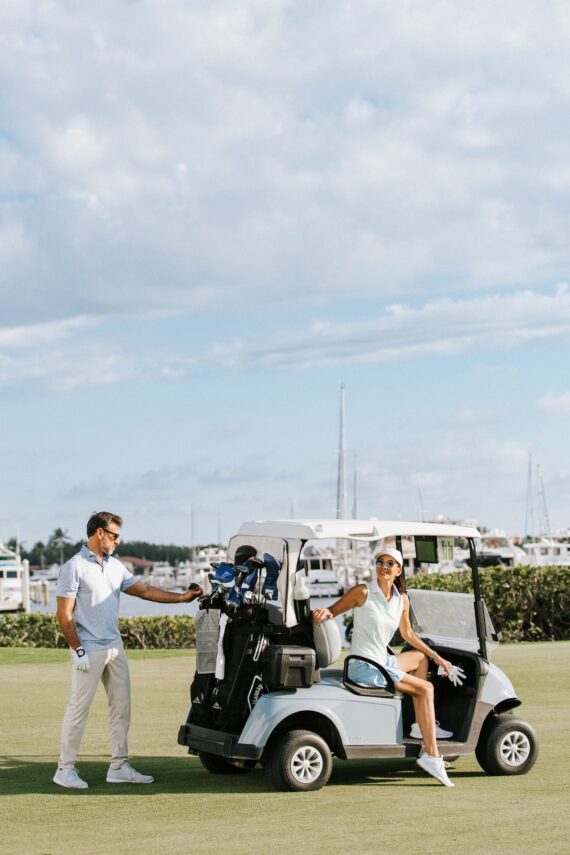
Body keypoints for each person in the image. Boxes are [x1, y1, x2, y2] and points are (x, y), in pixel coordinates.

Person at [53, 511, 203, 790]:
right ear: (99, 533)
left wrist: (183, 598)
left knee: (121, 708)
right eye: (114, 535)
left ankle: (119, 766)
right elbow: (63, 613)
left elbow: (145, 591)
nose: (117, 540)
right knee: (78, 709)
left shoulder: (115, 566)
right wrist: (77, 650)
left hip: (114, 647)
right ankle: (65, 769)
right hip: (89, 650)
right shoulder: (74, 567)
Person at [313, 546, 456, 787]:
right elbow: (333, 610)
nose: (384, 566)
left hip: (383, 660)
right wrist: (324, 612)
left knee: (420, 658)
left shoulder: (402, 601)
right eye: (380, 561)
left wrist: (437, 657)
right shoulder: (362, 592)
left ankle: (418, 725)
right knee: (426, 689)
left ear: (398, 570)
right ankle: (432, 757)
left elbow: (408, 634)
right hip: (365, 665)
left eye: (390, 563)